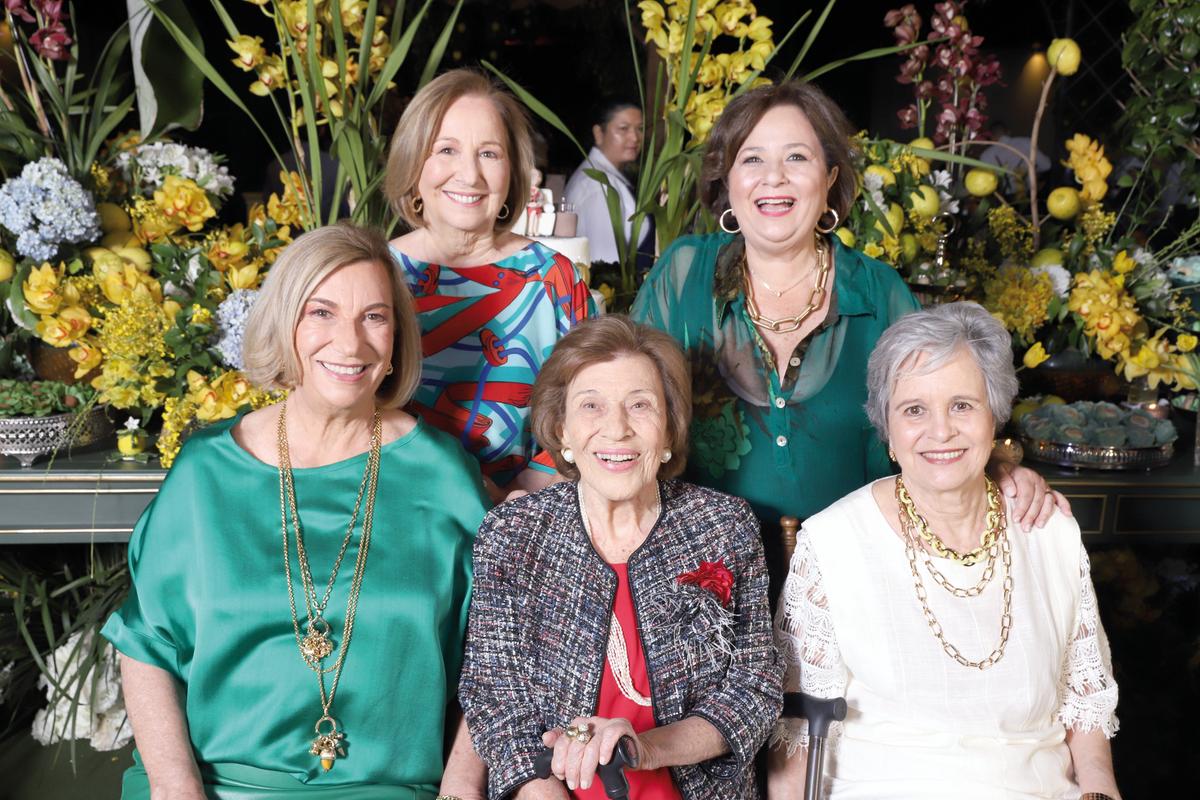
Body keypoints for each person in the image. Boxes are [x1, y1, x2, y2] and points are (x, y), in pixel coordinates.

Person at [630, 81, 1066, 596]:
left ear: (830, 177)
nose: (774, 177)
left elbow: (938, 411)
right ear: (727, 179)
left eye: (797, 156)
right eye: (752, 159)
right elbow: (626, 407)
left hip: (859, 580)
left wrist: (1001, 472)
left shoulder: (877, 291)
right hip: (699, 584)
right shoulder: (683, 276)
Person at [102, 223, 490, 799]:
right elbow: (146, 646)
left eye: (374, 317)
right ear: (286, 323)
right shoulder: (206, 473)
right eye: (322, 312)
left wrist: (461, 791)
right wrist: (175, 788)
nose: (351, 343)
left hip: (390, 788)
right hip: (215, 786)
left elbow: (496, 660)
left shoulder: (443, 476)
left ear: (397, 339)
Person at [769, 302, 1120, 799]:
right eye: (914, 410)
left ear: (994, 417)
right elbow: (796, 740)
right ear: (887, 430)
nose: (941, 431)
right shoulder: (833, 544)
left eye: (962, 405)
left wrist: (1100, 789)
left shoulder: (1048, 532)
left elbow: (1086, 707)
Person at [459, 315, 782, 800]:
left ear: (669, 431)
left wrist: (648, 750)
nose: (617, 428)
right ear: (562, 430)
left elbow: (753, 689)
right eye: (591, 406)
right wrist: (539, 790)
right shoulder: (514, 534)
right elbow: (494, 696)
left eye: (640, 405)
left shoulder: (723, 525)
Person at [385, 68, 594, 503]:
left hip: (527, 511)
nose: (469, 174)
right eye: (446, 149)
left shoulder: (553, 278)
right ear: (413, 164)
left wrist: (518, 497)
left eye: (489, 154)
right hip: (395, 506)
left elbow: (590, 406)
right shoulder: (377, 273)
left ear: (513, 171)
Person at [564, 98, 652, 268]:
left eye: (640, 129)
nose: (635, 137)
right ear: (599, 133)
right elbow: (606, 265)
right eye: (623, 128)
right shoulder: (597, 186)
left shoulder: (606, 177)